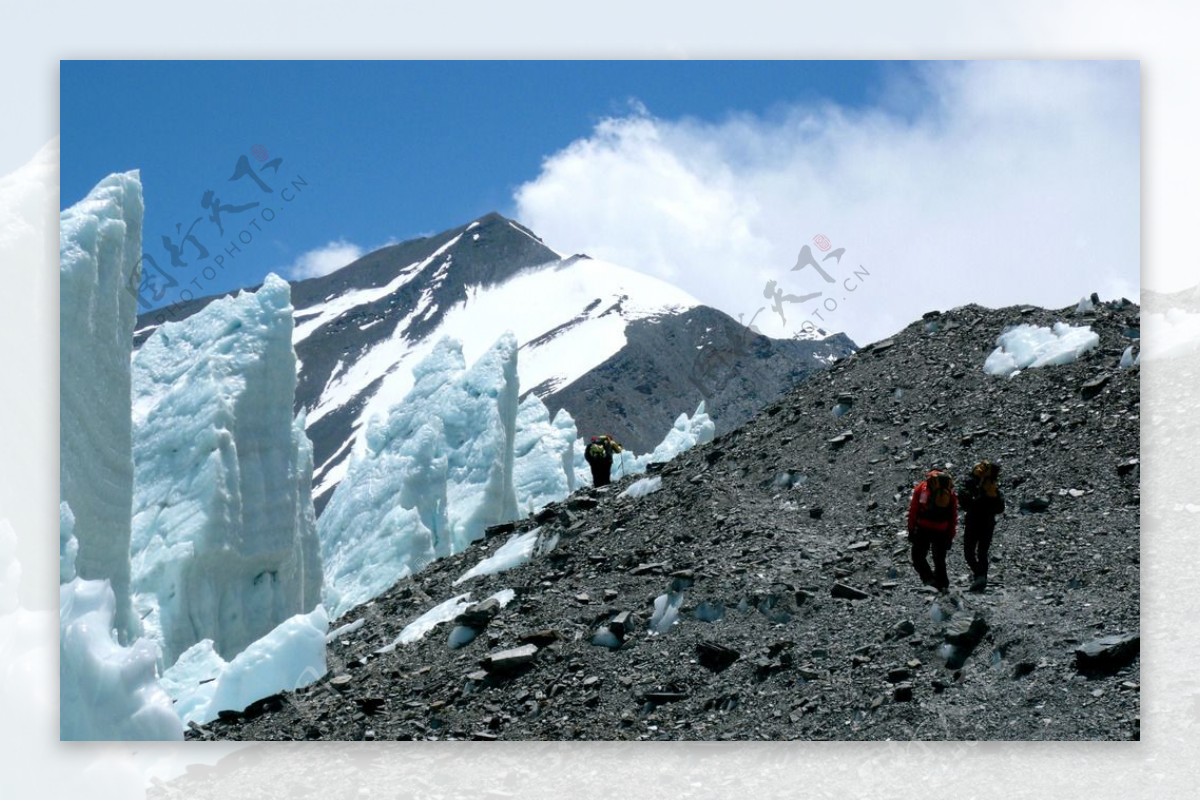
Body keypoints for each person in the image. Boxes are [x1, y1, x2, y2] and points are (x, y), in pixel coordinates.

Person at [907, 469, 958, 593]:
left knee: (917, 557)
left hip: (923, 528)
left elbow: (913, 510)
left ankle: (929, 580)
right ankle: (943, 585)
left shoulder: (922, 487)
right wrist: (950, 535)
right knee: (939, 559)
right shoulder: (949, 491)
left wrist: (911, 529)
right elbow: (953, 515)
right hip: (942, 529)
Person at [958, 459, 1005, 592]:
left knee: (971, 553)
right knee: (980, 552)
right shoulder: (988, 486)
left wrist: (987, 496)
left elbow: (965, 502)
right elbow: (1000, 508)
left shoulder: (979, 484)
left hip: (975, 522)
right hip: (987, 523)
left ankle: (980, 578)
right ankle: (981, 577)